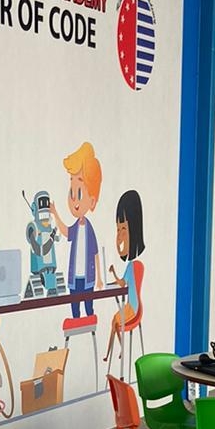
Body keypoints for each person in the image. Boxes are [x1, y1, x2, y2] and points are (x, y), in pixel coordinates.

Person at [51, 141, 101, 327]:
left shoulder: (88, 228)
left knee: (89, 307)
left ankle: (90, 329)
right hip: (75, 277)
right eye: (72, 194)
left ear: (92, 201)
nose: (75, 202)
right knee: (75, 309)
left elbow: (95, 253)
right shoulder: (75, 227)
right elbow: (65, 232)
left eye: (79, 194)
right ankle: (77, 328)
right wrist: (55, 213)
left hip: (88, 277)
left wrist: (99, 278)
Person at [105, 188, 145, 362]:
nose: (119, 236)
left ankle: (115, 352)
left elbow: (122, 283)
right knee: (114, 321)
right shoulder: (136, 265)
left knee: (114, 322)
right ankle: (114, 352)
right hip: (134, 306)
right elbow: (124, 283)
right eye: (117, 229)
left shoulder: (132, 265)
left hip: (132, 308)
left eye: (123, 229)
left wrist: (113, 273)